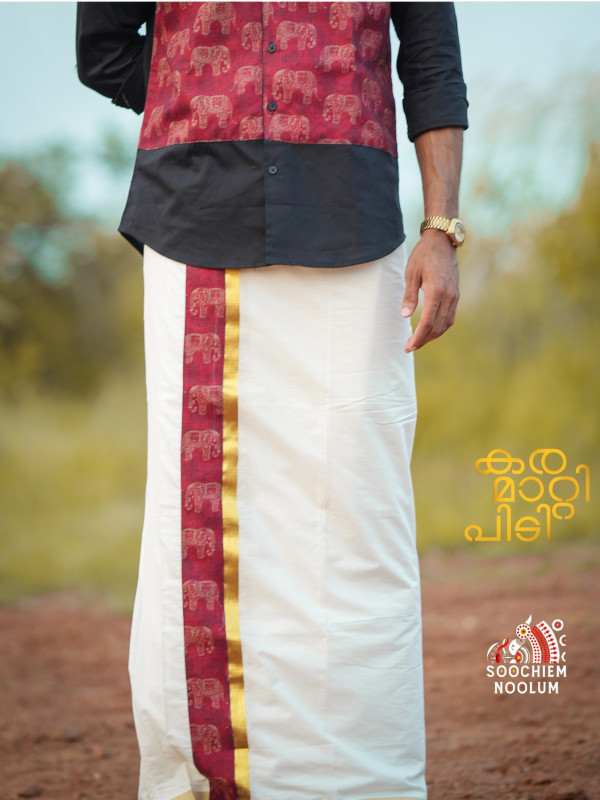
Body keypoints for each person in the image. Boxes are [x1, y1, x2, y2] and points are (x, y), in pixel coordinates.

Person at [76, 3, 468, 799]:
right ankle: (206, 776)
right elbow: (101, 49)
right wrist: (208, 98)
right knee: (196, 517)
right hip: (194, 220)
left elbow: (431, 61)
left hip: (352, 225)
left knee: (356, 514)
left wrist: (441, 228)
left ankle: (360, 780)